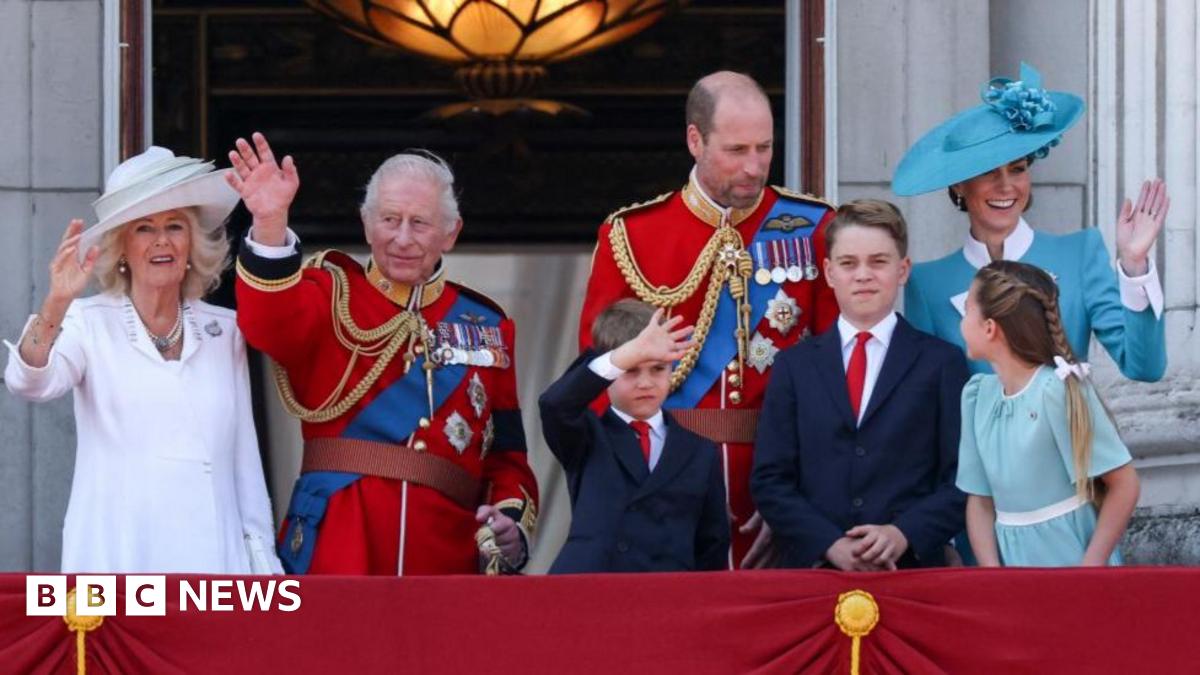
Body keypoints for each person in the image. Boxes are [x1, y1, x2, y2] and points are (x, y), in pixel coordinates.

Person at [228, 133, 538, 575]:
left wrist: (509, 522)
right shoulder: (330, 294)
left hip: (444, 557)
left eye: (420, 223)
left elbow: (507, 459)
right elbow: (267, 325)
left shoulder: (486, 325)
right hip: (340, 544)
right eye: (390, 219)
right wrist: (270, 222)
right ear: (366, 222)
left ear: (451, 233)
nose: (403, 238)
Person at [579, 71, 839, 569]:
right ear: (694, 140)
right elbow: (596, 380)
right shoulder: (631, 235)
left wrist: (803, 497)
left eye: (764, 148)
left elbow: (833, 377)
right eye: (736, 150)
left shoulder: (814, 227)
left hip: (775, 479)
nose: (754, 166)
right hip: (666, 481)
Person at [4, 146, 281, 574]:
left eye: (175, 226)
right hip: (119, 561)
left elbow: (245, 461)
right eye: (144, 229)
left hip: (214, 566)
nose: (162, 241)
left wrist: (262, 566)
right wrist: (58, 300)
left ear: (191, 243)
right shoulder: (88, 322)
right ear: (122, 249)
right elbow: (31, 383)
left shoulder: (225, 329)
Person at [894, 62, 1168, 381]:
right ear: (958, 185)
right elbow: (925, 396)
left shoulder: (1080, 253)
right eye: (988, 172)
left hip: (1067, 431)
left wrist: (1134, 266)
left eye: (1018, 169)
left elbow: (1144, 368)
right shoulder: (927, 284)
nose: (1006, 185)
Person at [752, 200, 968, 570]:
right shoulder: (794, 366)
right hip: (815, 573)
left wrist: (904, 534)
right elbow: (771, 480)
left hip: (912, 570)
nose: (863, 275)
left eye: (878, 262)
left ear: (903, 270)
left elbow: (962, 478)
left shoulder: (942, 363)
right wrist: (828, 543)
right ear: (829, 272)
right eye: (849, 263)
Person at [957, 261, 1139, 566]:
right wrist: (992, 574)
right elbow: (979, 499)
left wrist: (1089, 569)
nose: (961, 323)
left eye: (966, 311)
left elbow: (1125, 484)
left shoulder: (1056, 390)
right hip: (1012, 569)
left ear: (989, 328)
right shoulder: (976, 397)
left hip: (1070, 558)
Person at [540, 300, 729, 573]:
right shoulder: (586, 435)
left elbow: (712, 543)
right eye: (631, 370)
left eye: (657, 369)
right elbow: (554, 405)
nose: (645, 383)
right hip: (591, 592)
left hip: (667, 599)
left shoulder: (700, 450)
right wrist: (624, 355)